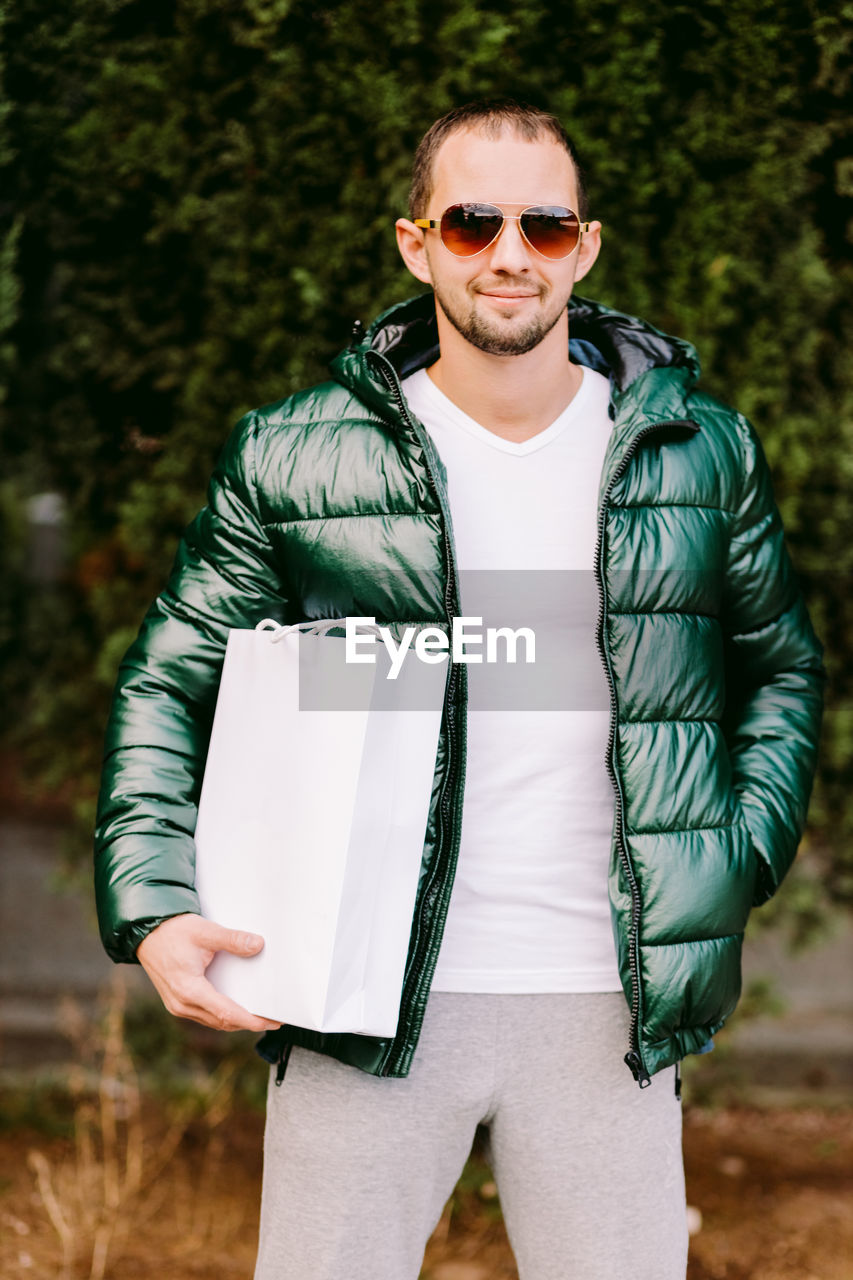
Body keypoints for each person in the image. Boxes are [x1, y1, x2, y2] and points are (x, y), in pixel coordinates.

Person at [94, 99, 824, 1280]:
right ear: (416, 241)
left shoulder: (697, 449)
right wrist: (157, 902)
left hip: (608, 1001)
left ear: (583, 247)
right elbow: (172, 680)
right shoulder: (295, 453)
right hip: (361, 992)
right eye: (473, 219)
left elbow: (780, 668)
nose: (508, 254)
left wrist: (729, 851)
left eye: (544, 225)